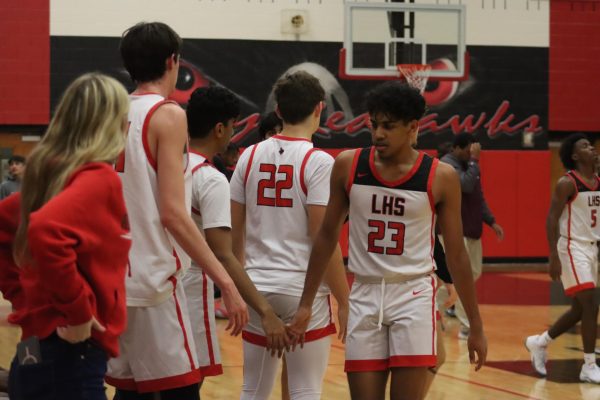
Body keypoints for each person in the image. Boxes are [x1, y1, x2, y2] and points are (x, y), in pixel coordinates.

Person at [289, 81, 487, 400]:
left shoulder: (440, 177)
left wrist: (475, 324)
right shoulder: (348, 165)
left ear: (412, 127)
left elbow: (457, 255)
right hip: (365, 292)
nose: (379, 133)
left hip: (413, 294)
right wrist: (305, 303)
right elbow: (326, 237)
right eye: (374, 125)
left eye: (389, 126)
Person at [105, 22, 247, 400]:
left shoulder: (114, 112)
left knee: (130, 392)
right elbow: (172, 214)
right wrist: (227, 282)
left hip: (117, 276)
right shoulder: (168, 115)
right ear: (173, 61)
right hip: (154, 280)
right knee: (182, 389)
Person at [0, 73, 131, 399]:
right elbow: (47, 230)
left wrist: (23, 295)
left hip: (33, 351)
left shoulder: (49, 177)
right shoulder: (99, 178)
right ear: (111, 123)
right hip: (72, 353)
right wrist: (79, 312)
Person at [230, 71, 349, 400]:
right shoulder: (320, 162)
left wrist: (241, 289)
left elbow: (233, 237)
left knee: (252, 389)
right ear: (319, 109)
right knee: (305, 390)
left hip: (256, 287)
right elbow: (322, 241)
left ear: (278, 111)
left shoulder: (248, 157)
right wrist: (343, 300)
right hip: (300, 290)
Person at [182, 86, 288, 388]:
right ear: (219, 128)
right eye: (232, 126)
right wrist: (264, 310)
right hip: (189, 287)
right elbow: (223, 254)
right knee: (186, 387)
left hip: (153, 282)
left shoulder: (162, 163)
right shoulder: (210, 178)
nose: (232, 133)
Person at [525, 133, 600, 383]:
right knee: (590, 303)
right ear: (575, 156)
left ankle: (539, 342)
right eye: (585, 146)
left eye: (591, 145)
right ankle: (589, 365)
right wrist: (553, 256)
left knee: (580, 309)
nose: (592, 148)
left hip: (593, 249)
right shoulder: (567, 183)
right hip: (572, 247)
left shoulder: (597, 181)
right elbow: (551, 219)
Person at [440, 133, 504, 339]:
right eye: (469, 150)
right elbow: (465, 185)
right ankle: (466, 326)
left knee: (472, 274)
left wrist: (491, 221)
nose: (472, 153)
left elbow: (478, 196)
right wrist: (475, 161)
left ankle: (435, 308)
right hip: (454, 232)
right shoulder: (447, 166)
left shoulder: (470, 166)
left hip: (472, 230)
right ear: (456, 148)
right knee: (462, 278)